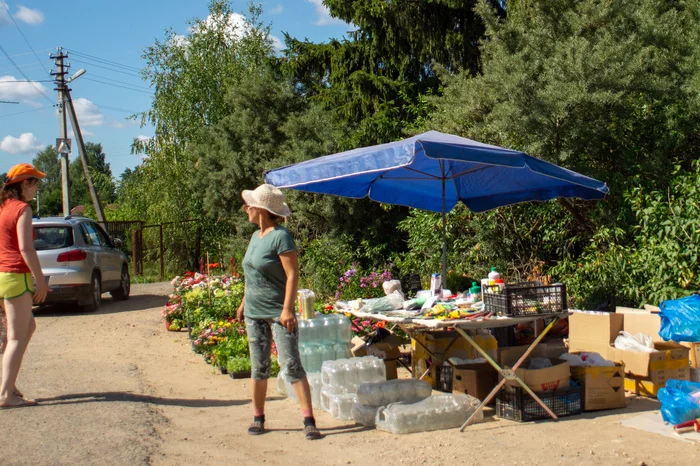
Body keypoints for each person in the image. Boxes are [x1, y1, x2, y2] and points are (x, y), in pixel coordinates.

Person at [236, 184, 321, 440]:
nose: (245, 209)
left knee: (291, 364)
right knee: (258, 366)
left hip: (277, 312)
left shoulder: (281, 237)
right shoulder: (255, 237)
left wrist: (287, 309)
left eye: (248, 205)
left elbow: (293, 274)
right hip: (254, 312)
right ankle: (258, 417)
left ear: (261, 209)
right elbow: (251, 273)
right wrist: (243, 302)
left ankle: (309, 420)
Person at [0, 163, 48, 408]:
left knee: (27, 326)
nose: (37, 187)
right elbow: (25, 248)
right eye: (35, 182)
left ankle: (9, 384)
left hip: (2, 275)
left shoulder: (3, 207)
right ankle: (5, 395)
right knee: (17, 337)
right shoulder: (22, 209)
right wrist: (40, 280)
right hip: (15, 276)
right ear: (24, 184)